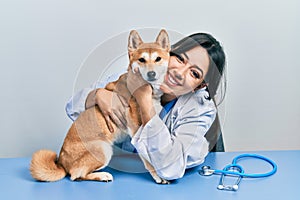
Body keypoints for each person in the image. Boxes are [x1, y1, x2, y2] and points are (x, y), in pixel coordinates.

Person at [65, 32, 226, 180]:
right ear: (168, 53)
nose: (179, 73)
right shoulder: (135, 75)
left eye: (194, 73)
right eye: (180, 59)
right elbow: (72, 108)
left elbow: (171, 168)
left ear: (199, 86)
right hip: (119, 173)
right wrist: (98, 95)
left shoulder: (199, 109)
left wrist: (144, 101)